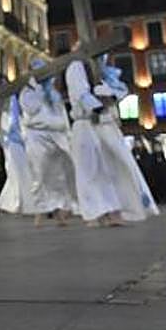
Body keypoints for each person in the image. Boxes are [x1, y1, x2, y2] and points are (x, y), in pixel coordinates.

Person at [90, 56, 159, 222]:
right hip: (101, 128)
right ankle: (108, 211)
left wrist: (109, 97)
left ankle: (125, 207)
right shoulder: (94, 84)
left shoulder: (108, 83)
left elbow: (119, 92)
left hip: (110, 127)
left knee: (120, 167)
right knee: (106, 168)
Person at [64, 59, 124, 227]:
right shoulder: (76, 67)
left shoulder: (101, 72)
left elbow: (118, 90)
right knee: (87, 171)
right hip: (84, 124)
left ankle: (110, 210)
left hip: (100, 125)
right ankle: (92, 213)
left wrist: (110, 97)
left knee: (106, 170)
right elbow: (80, 94)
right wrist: (98, 106)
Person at [19, 67, 77, 226]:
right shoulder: (28, 92)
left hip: (56, 133)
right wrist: (37, 90)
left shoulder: (53, 93)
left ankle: (60, 209)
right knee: (40, 173)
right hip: (37, 135)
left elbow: (62, 114)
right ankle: (40, 210)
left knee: (59, 173)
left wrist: (67, 133)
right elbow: (31, 109)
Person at [0, 94, 35, 217]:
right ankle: (20, 203)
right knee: (20, 174)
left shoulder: (13, 114)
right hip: (16, 146)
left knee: (21, 175)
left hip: (19, 145)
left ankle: (20, 202)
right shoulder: (10, 115)